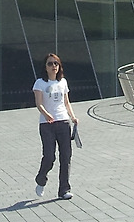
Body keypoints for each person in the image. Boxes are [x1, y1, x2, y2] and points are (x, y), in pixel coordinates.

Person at [31, 53, 78, 201]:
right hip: (47, 124)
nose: (53, 66)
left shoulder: (62, 82)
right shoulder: (40, 83)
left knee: (66, 156)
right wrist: (46, 114)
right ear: (45, 67)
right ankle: (41, 179)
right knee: (49, 156)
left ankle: (64, 190)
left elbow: (66, 102)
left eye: (56, 63)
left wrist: (73, 117)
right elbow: (39, 103)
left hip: (63, 122)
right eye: (50, 64)